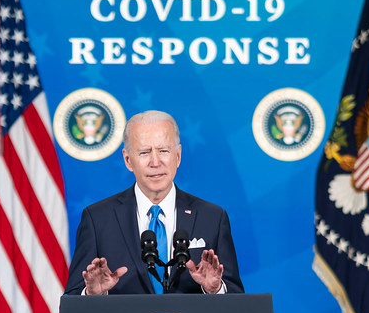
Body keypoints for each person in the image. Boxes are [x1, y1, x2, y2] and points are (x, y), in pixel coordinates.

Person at [65, 110, 243, 296]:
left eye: (164, 151)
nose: (155, 162)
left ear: (178, 156)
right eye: (144, 152)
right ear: (128, 160)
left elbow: (237, 301)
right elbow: (72, 301)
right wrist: (92, 294)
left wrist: (215, 289)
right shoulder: (98, 219)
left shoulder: (212, 218)